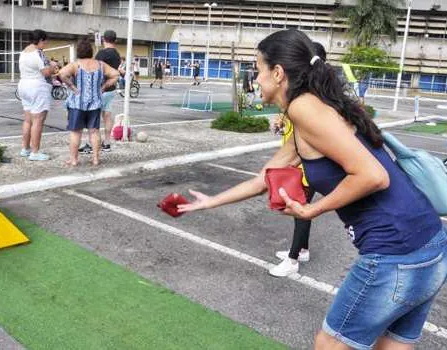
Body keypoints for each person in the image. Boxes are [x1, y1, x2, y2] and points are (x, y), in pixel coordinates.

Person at [178, 29, 446, 350]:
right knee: (394, 345)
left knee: (330, 344)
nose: (256, 78)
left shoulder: (303, 108)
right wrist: (210, 202)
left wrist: (312, 209)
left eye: (258, 69)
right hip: (430, 245)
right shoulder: (312, 110)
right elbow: (268, 176)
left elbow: (373, 176)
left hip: (394, 251)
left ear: (277, 73)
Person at [270, 41, 327, 278]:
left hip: (307, 163)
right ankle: (302, 250)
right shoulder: (302, 91)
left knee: (299, 208)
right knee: (300, 207)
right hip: (299, 160)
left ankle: (293, 260)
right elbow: (295, 127)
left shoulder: (314, 94)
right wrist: (281, 126)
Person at [58, 38, 118, 166]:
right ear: (90, 51)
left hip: (77, 104)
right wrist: (103, 87)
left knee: (76, 132)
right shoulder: (101, 64)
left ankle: (74, 160)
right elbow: (115, 74)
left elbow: (62, 73)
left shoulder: (76, 64)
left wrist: (72, 87)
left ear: (78, 52)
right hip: (95, 103)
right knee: (94, 131)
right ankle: (95, 159)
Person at [17, 29, 57, 161]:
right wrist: (53, 66)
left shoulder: (23, 52)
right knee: (38, 120)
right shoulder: (38, 53)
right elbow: (46, 72)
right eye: (44, 42)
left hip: (23, 85)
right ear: (40, 40)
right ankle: (35, 152)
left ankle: (25, 148)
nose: (45, 45)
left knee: (28, 120)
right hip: (37, 87)